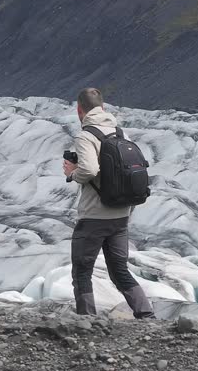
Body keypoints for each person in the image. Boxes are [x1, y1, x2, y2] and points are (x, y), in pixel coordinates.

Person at [63, 88, 155, 318]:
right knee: (119, 270)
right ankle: (146, 314)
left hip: (94, 216)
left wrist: (73, 173)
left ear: (79, 111)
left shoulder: (86, 136)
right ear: (103, 108)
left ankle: (87, 320)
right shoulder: (121, 134)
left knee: (82, 272)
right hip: (121, 215)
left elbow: (90, 169)